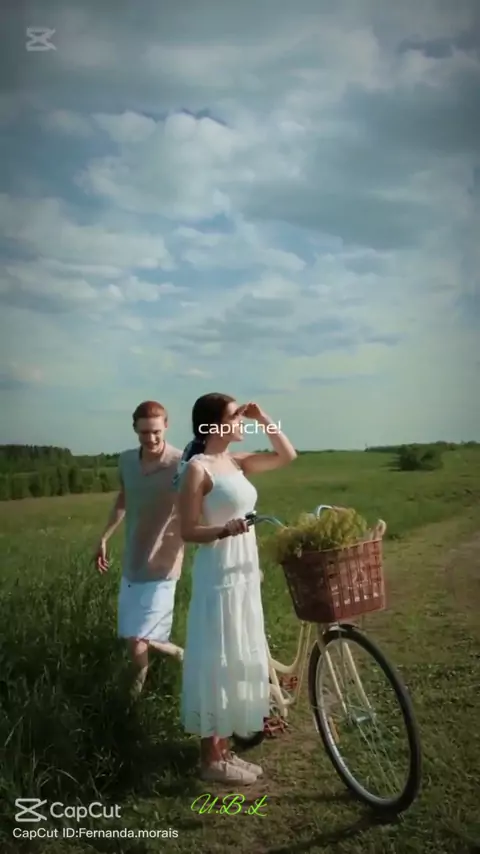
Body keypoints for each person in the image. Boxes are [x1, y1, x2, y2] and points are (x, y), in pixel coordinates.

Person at [174, 393, 297, 784]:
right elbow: (187, 530)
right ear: (213, 425)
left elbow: (287, 455)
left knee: (237, 656)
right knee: (218, 658)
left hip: (244, 574)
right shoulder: (197, 469)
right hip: (219, 576)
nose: (241, 421)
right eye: (235, 416)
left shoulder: (236, 462)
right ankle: (210, 760)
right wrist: (223, 529)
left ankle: (224, 751)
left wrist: (263, 417)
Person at [94, 400, 184, 696]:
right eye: (144, 432)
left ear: (166, 426)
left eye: (156, 431)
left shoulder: (181, 463)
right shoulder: (126, 462)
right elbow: (124, 499)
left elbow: (200, 502)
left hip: (164, 563)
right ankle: (185, 657)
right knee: (133, 635)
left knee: (139, 639)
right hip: (133, 562)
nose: (151, 438)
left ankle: (131, 703)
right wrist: (104, 537)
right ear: (135, 429)